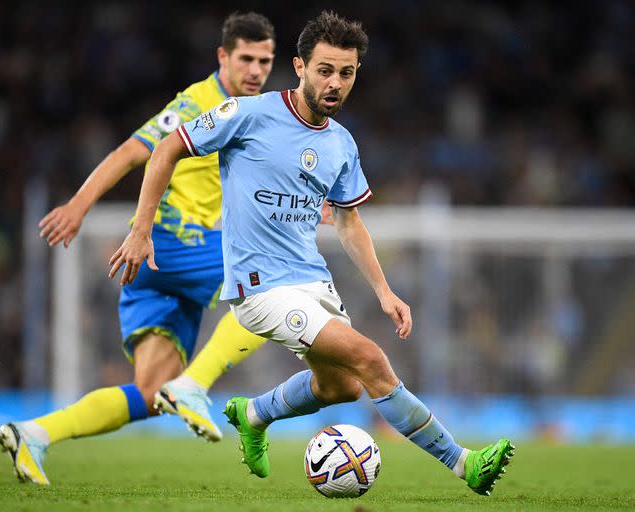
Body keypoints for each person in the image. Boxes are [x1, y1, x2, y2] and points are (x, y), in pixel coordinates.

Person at [109, 11, 514, 496]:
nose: (335, 83)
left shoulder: (341, 144)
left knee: (341, 387)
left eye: (346, 73)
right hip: (260, 289)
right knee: (370, 357)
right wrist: (141, 229)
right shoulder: (249, 113)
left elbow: (348, 221)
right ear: (299, 67)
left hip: (311, 281)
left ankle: (253, 413)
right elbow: (167, 148)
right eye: (325, 70)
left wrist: (384, 291)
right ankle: (463, 462)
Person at [0, 12, 276, 486]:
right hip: (169, 243)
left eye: (264, 60)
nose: (255, 70)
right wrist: (79, 206)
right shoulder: (196, 103)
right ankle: (194, 388)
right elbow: (131, 151)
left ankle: (35, 434)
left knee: (148, 394)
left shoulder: (259, 109)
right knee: (273, 289)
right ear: (223, 57)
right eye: (246, 58)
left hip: (158, 272)